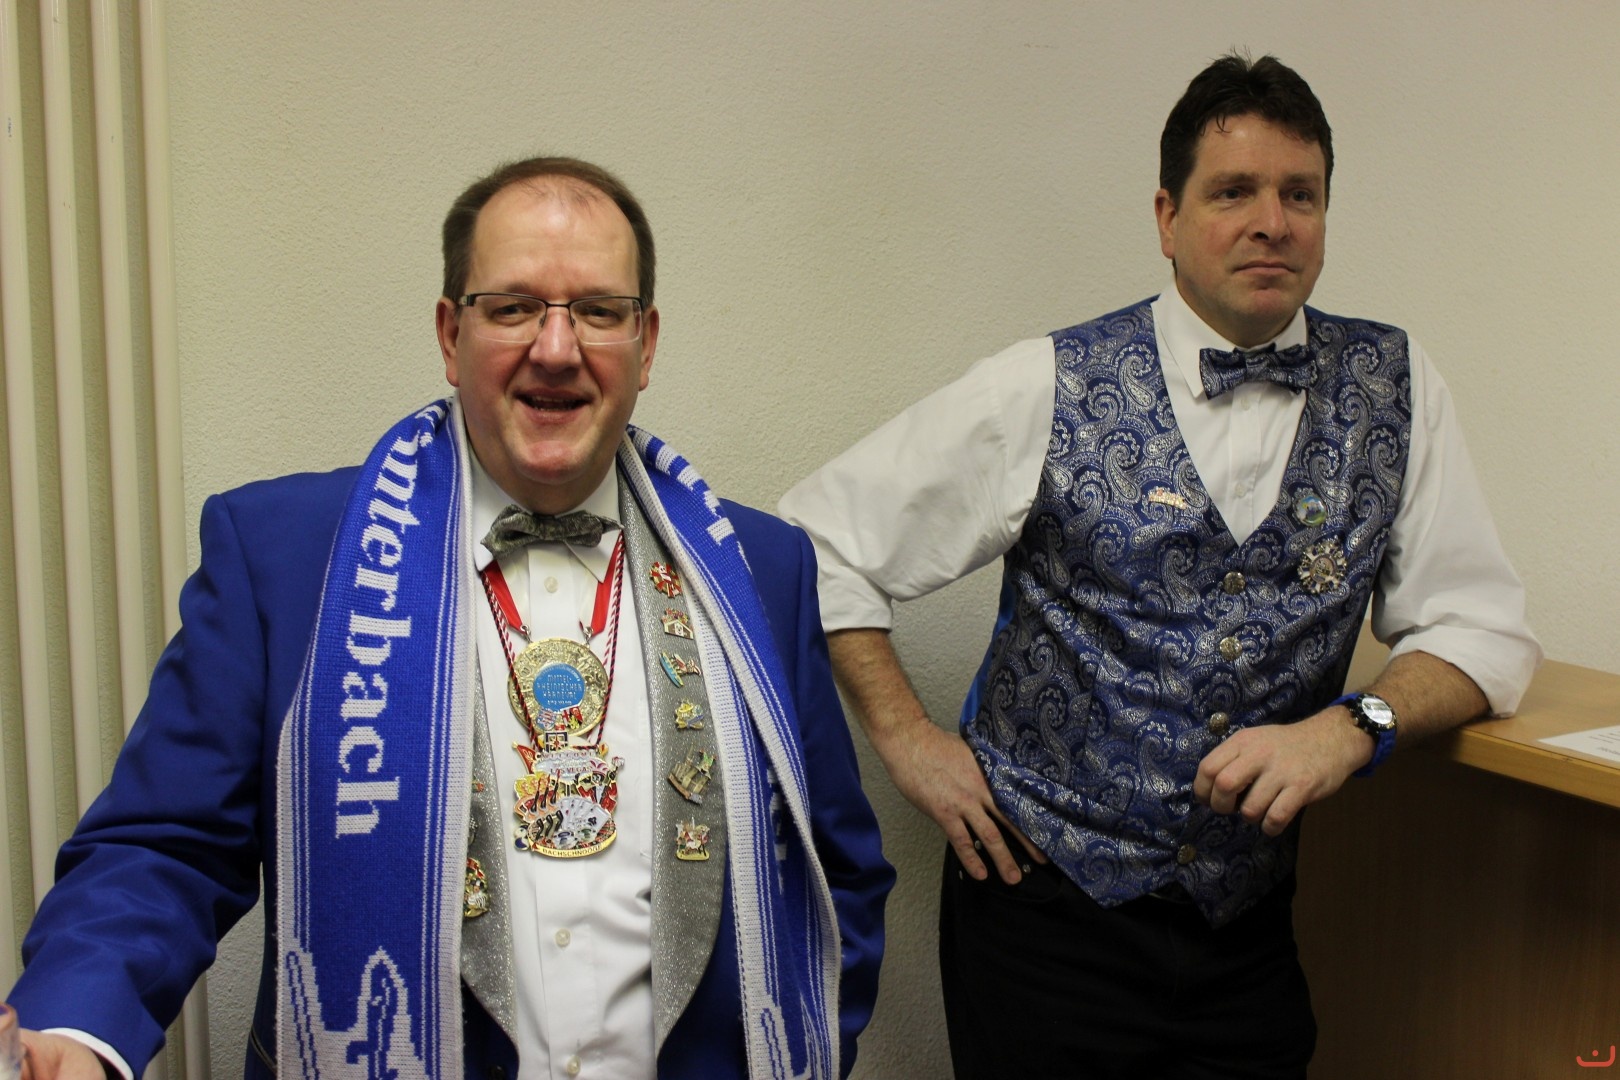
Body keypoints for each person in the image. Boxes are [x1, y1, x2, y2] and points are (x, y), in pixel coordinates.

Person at [9, 156, 892, 1080]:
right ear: (449, 333)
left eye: (599, 311)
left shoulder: (762, 568)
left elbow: (837, 872)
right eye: (513, 307)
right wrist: (78, 1027)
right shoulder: (280, 559)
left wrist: (813, 1043)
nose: (557, 348)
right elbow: (164, 848)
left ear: (646, 342)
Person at [779, 53, 1538, 1079]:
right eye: (1234, 192)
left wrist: (1352, 728)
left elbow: (1482, 628)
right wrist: (908, 741)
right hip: (1043, 913)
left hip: (1248, 927)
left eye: (1300, 195)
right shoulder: (1044, 383)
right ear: (1167, 218)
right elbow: (812, 541)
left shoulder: (1394, 388)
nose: (1272, 222)